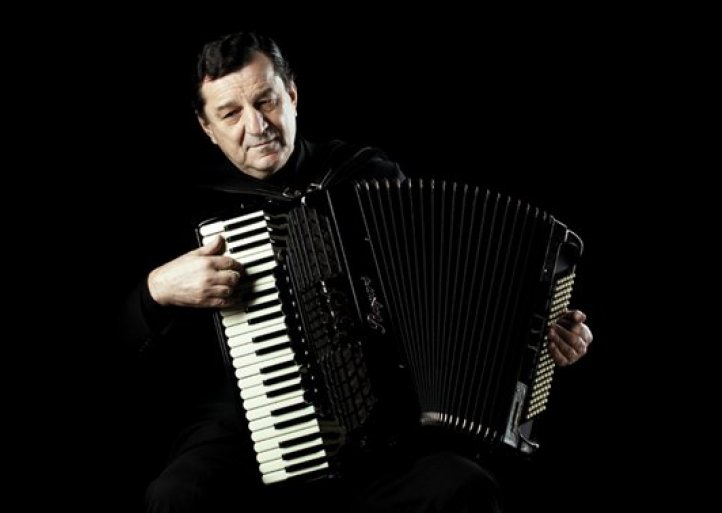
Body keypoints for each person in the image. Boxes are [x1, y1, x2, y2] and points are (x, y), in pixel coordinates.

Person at [120, 31, 594, 513]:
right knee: (177, 497)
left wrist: (541, 337)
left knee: (464, 487)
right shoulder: (186, 206)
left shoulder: (364, 173)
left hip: (383, 437)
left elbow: (452, 294)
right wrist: (155, 290)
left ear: (292, 95)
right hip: (247, 431)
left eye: (266, 101)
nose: (257, 125)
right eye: (230, 114)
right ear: (206, 127)